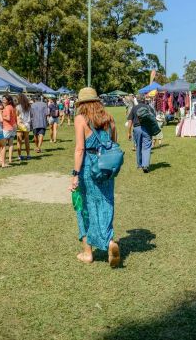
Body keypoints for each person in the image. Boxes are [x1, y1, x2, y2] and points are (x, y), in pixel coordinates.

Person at [69, 87, 120, 267]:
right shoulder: (109, 119)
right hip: (106, 168)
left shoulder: (80, 119)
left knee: (84, 206)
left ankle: (87, 252)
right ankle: (110, 243)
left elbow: (80, 149)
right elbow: (113, 143)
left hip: (88, 168)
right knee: (106, 204)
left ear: (81, 104)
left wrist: (75, 174)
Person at [128, 99, 154, 173]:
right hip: (147, 129)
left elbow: (130, 121)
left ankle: (139, 165)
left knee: (138, 146)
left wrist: (129, 132)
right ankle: (145, 165)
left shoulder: (134, 108)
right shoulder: (149, 107)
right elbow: (153, 119)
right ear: (144, 101)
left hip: (137, 128)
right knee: (147, 147)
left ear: (138, 101)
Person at [1, 95, 17, 165]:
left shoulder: (7, 107)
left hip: (7, 128)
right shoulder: (12, 107)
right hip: (13, 127)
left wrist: (1, 115)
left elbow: (8, 118)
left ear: (8, 100)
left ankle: (2, 160)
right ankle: (10, 159)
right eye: (2, 99)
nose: (3, 100)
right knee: (11, 144)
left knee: (3, 145)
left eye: (4, 99)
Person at [15, 93, 32, 161]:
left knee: (19, 141)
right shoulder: (28, 106)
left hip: (20, 124)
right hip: (27, 124)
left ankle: (19, 155)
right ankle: (28, 155)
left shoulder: (18, 107)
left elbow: (16, 115)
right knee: (27, 141)